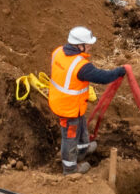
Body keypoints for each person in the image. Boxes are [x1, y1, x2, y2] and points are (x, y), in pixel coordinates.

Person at [48, 26, 125, 174]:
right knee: (70, 137)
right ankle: (70, 168)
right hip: (67, 108)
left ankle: (83, 148)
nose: (90, 47)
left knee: (81, 126)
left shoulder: (58, 51)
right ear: (79, 45)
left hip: (68, 103)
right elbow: (103, 77)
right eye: (88, 44)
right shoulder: (81, 66)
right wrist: (120, 71)